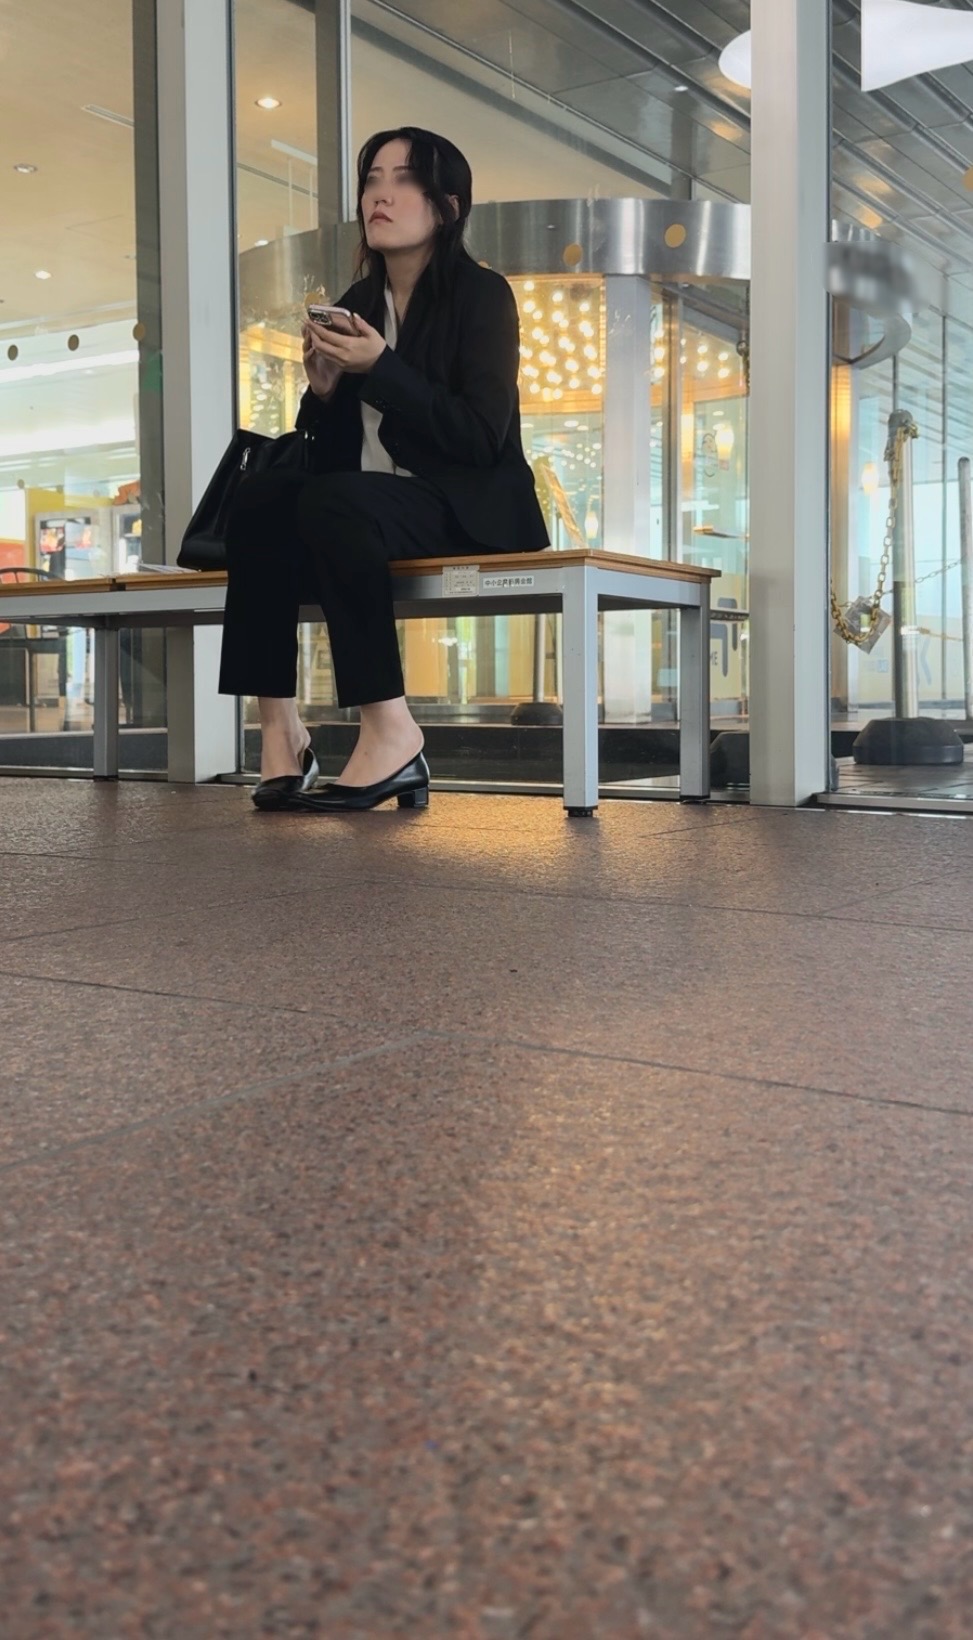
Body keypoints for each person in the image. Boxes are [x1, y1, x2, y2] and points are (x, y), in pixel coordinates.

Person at [218, 125, 549, 813]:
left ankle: (391, 729)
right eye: (372, 179)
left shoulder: (482, 295)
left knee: (335, 502)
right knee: (259, 495)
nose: (381, 195)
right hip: (364, 512)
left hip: (461, 507)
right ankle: (281, 731)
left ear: (447, 206)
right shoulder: (359, 303)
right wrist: (323, 392)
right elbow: (329, 456)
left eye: (403, 180)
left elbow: (479, 438)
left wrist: (383, 368)